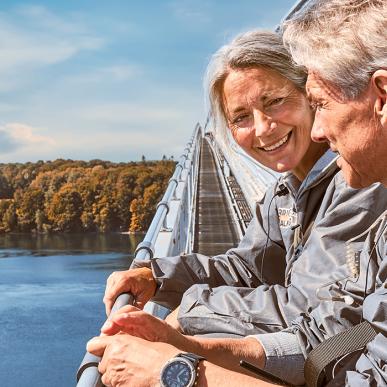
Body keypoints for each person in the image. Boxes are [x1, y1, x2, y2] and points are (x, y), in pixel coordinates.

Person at [88, 26, 387, 386]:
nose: (262, 129)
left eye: (275, 101)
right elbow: (251, 266)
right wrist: (158, 276)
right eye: (241, 117)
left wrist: (188, 321)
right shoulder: (285, 190)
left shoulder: (363, 179)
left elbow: (310, 307)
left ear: (309, 93)